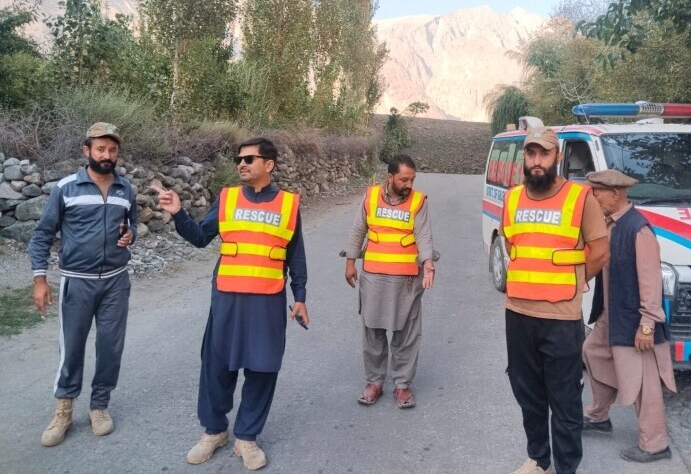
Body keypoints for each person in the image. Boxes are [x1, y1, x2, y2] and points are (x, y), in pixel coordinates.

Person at [154, 137, 308, 471]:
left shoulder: (288, 205)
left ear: (269, 164)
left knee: (262, 368)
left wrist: (301, 299)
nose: (242, 164)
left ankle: (247, 437)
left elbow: (296, 258)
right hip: (227, 298)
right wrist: (178, 213)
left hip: (267, 301)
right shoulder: (227, 199)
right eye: (239, 158)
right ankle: (214, 432)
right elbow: (198, 237)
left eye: (250, 159)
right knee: (217, 365)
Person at [502, 128, 609, 474]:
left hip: (562, 318)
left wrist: (576, 283)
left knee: (563, 400)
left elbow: (600, 251)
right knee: (528, 395)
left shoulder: (580, 198)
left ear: (556, 157)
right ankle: (538, 459)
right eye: (531, 154)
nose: (536, 161)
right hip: (518, 313)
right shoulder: (513, 198)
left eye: (543, 154)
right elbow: (511, 246)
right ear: (524, 158)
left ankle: (566, 467)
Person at [28, 122, 137, 446]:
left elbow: (132, 222)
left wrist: (129, 233)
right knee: (71, 348)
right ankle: (63, 410)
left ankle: (99, 406)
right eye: (100, 149)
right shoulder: (66, 188)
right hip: (78, 282)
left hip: (116, 283)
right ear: (86, 150)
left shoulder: (125, 188)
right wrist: (39, 279)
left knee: (110, 348)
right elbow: (42, 236)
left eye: (112, 150)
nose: (107, 155)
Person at [582, 169, 677, 463]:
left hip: (635, 320)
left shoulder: (639, 230)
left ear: (615, 194)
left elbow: (651, 282)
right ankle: (599, 415)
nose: (593, 198)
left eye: (597, 193)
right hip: (611, 314)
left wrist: (647, 325)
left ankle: (654, 444)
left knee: (644, 381)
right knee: (593, 352)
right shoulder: (610, 224)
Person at [344, 154, 435, 409]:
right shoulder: (371, 197)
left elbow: (424, 235)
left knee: (406, 333)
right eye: (404, 179)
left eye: (412, 179)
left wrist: (428, 263)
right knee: (372, 330)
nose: (409, 184)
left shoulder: (418, 202)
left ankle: (402, 385)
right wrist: (350, 262)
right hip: (373, 278)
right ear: (390, 177)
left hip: (407, 280)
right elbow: (357, 230)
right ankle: (374, 382)